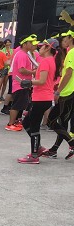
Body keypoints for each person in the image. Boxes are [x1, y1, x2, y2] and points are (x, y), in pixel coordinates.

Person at [18, 38, 59, 163]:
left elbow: (42, 81)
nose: (39, 48)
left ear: (48, 48)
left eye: (41, 46)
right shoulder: (51, 60)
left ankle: (34, 155)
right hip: (43, 97)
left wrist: (29, 82)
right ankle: (38, 148)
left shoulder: (46, 61)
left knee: (34, 126)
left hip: (41, 98)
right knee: (26, 122)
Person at [43, 31, 74, 159]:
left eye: (66, 37)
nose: (64, 39)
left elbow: (69, 73)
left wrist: (58, 91)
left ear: (71, 38)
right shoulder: (69, 52)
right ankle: (54, 149)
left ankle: (72, 143)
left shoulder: (71, 52)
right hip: (70, 91)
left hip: (67, 92)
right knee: (63, 121)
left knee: (51, 120)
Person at [6, 35, 38, 132]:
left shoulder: (24, 54)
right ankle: (10, 124)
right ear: (24, 44)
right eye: (30, 43)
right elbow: (21, 70)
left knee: (20, 104)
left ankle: (15, 121)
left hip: (23, 84)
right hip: (20, 83)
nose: (32, 44)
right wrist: (33, 72)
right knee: (16, 105)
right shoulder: (22, 54)